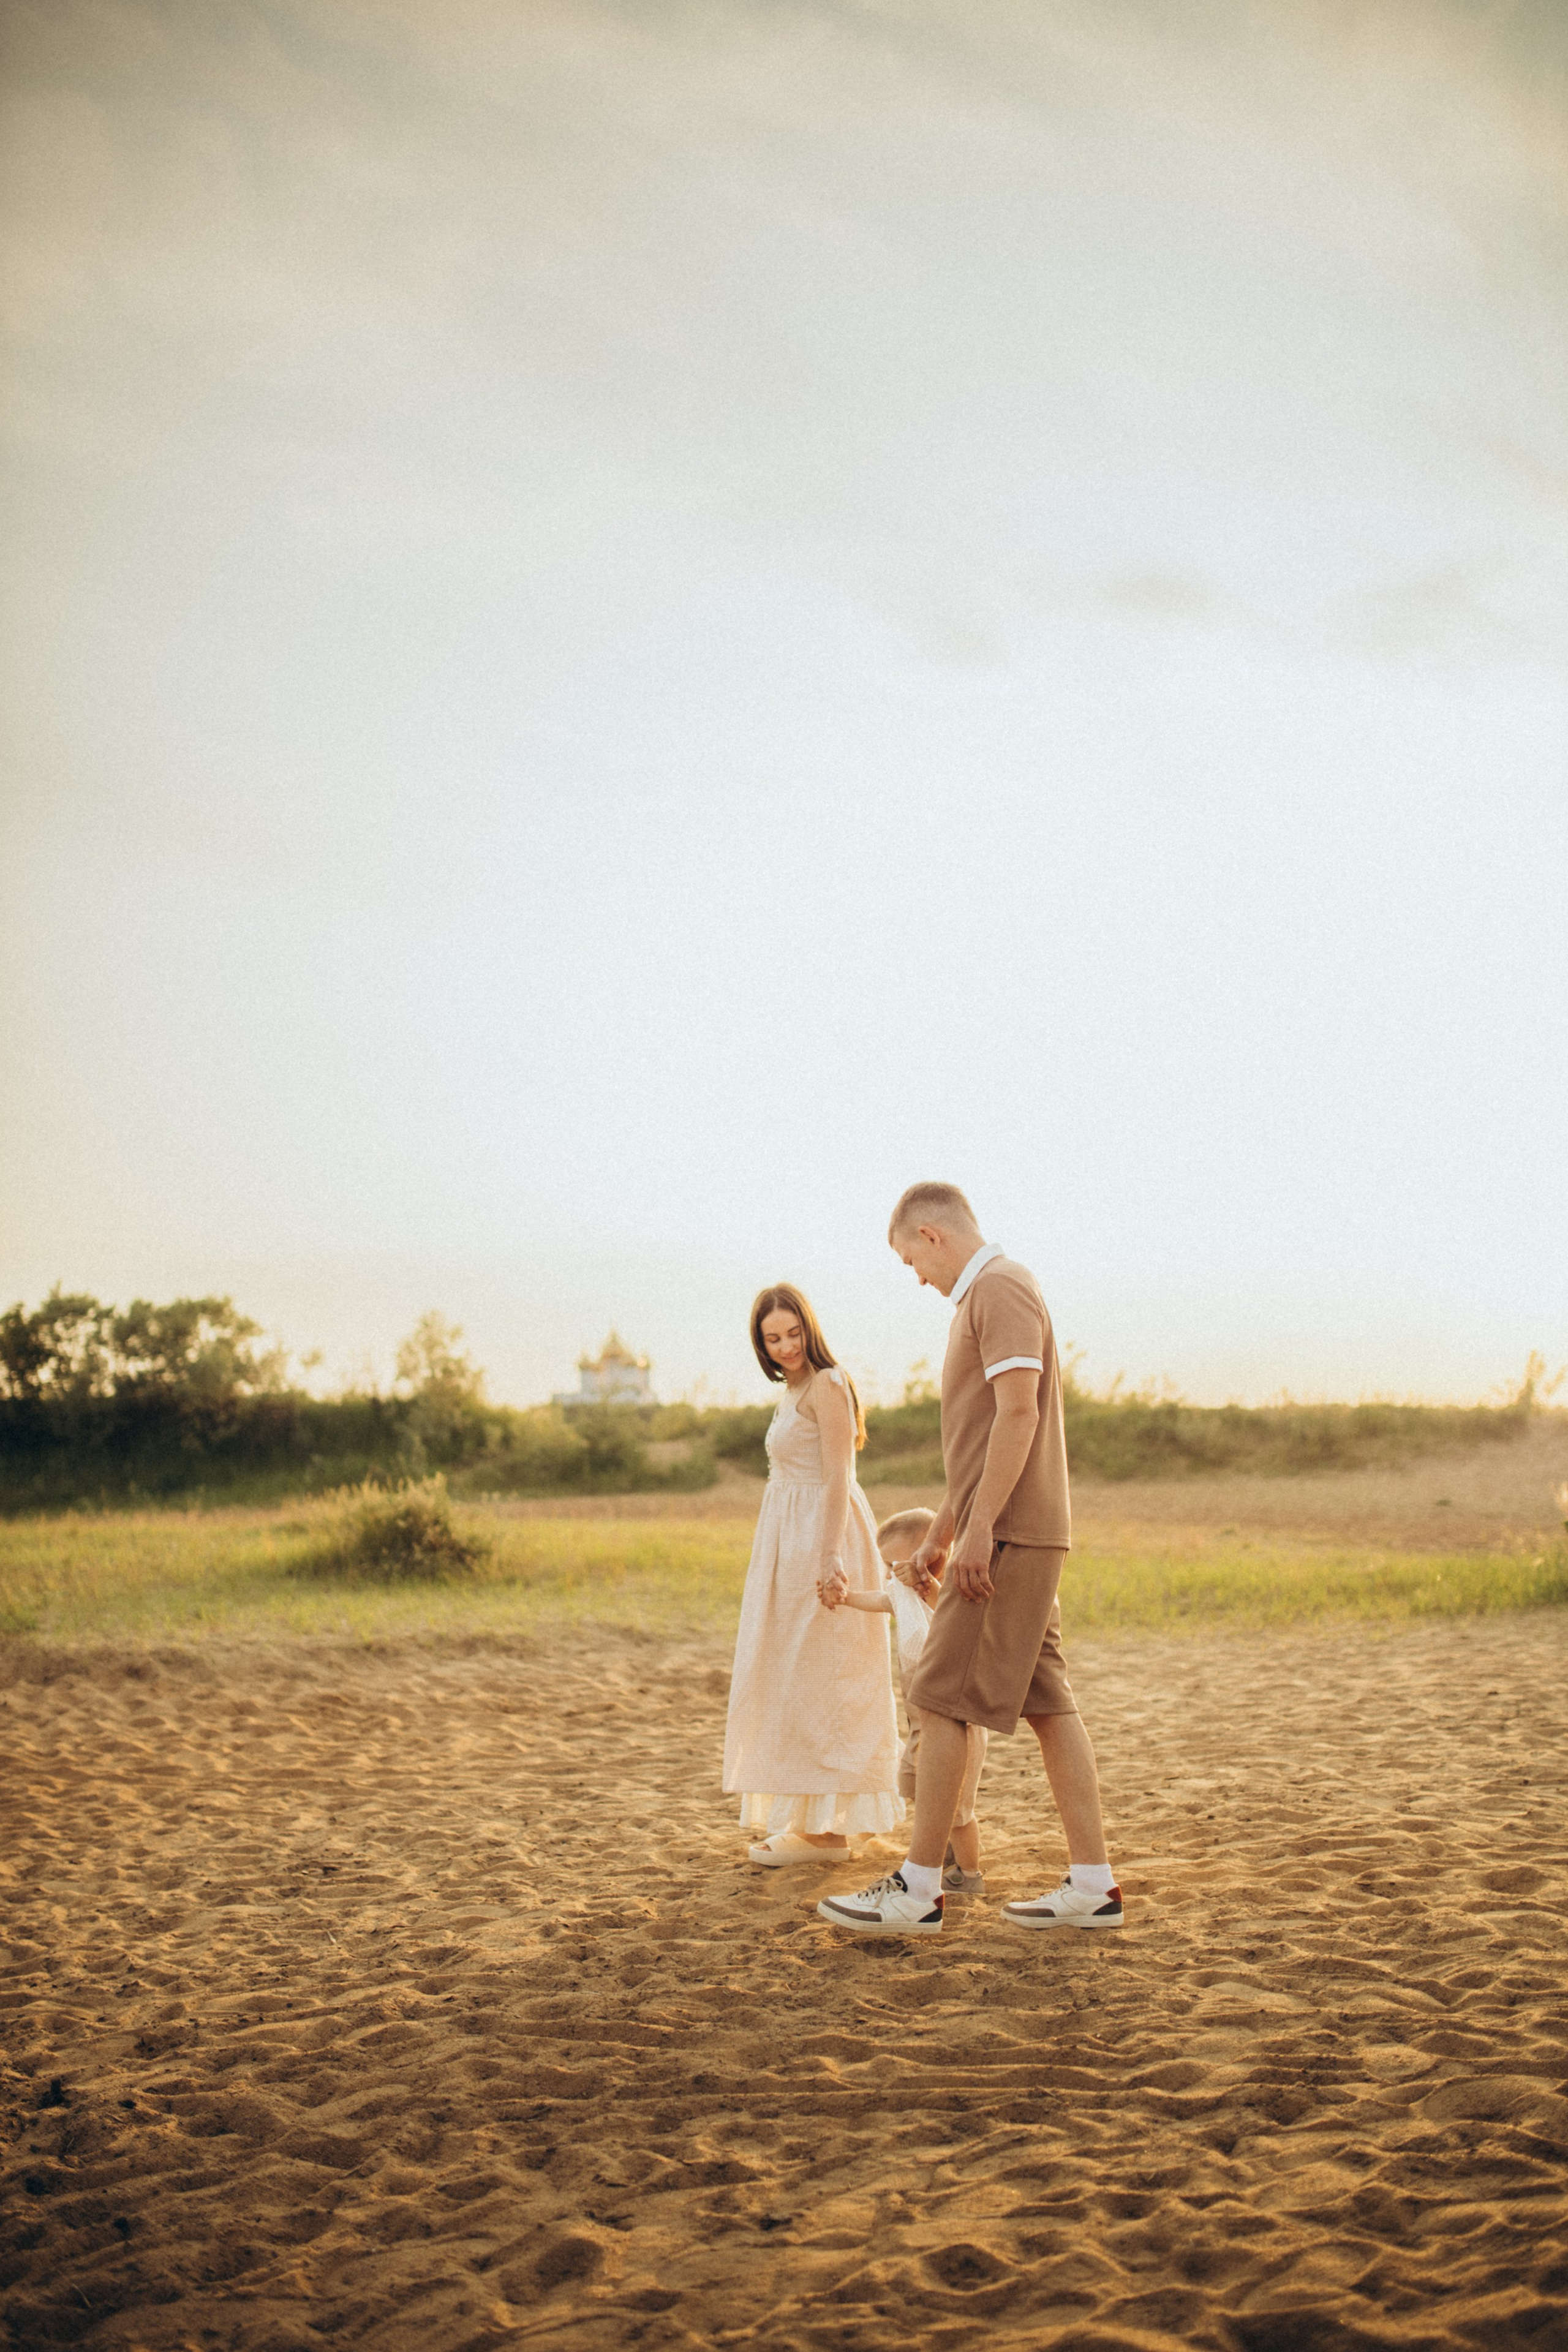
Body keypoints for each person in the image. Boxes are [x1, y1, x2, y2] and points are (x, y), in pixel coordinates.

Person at [817, 1184, 1121, 1938]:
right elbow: (982, 1441)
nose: (914, 1276)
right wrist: (941, 1533)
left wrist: (981, 1531)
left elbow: (1020, 1412)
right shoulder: (982, 1297)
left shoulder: (1001, 1286)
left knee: (937, 1693)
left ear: (931, 1235)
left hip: (1013, 1532)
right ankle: (1093, 1884)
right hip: (1009, 1526)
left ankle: (919, 1889)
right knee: (1049, 1705)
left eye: (908, 1259)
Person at [723, 1283, 903, 1864]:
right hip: (787, 1538)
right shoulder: (792, 1389)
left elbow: (838, 1475)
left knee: (829, 1675)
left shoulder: (828, 1383)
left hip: (822, 1536)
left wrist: (830, 1556)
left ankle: (829, 1836)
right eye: (772, 1338)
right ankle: (812, 1824)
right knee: (794, 1677)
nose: (785, 1347)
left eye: (793, 1333)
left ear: (810, 1328)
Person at [823, 1504, 989, 1897]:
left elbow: (945, 1608)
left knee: (960, 1810)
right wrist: (846, 1598)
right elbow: (881, 1601)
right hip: (920, 1723)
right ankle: (941, 1849)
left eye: (897, 1563)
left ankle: (969, 1873)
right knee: (921, 1788)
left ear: (933, 1559)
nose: (891, 1573)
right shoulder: (899, 1594)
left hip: (956, 1722)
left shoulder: (948, 1593)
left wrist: (927, 1584)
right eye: (886, 1565)